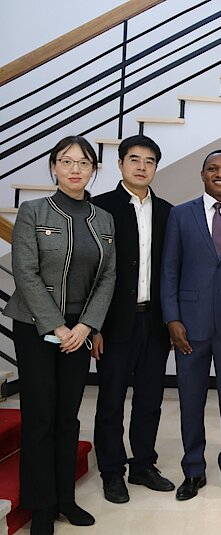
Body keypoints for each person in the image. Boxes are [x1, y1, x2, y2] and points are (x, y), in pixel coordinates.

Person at [4, 135, 116, 535]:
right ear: (53, 167)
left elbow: (108, 276)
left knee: (68, 417)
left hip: (79, 330)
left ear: (93, 170)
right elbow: (25, 272)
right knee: (40, 417)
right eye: (66, 161)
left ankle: (65, 498)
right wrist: (57, 325)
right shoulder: (33, 211)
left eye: (83, 162)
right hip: (35, 326)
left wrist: (86, 326)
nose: (75, 169)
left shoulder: (103, 218)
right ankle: (41, 506)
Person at [160, 149, 221, 502]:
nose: (220, 174)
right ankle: (193, 469)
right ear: (202, 174)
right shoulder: (180, 215)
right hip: (189, 327)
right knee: (190, 401)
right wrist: (172, 319)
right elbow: (169, 270)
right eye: (213, 169)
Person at [91, 135, 174, 504]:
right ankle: (112, 472)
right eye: (135, 159)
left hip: (154, 322)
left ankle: (143, 465)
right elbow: (91, 272)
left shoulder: (168, 212)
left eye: (149, 161)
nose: (142, 167)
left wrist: (171, 322)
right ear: (121, 164)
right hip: (113, 324)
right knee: (110, 401)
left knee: (150, 399)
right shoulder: (100, 208)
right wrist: (94, 327)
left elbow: (171, 271)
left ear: (156, 167)